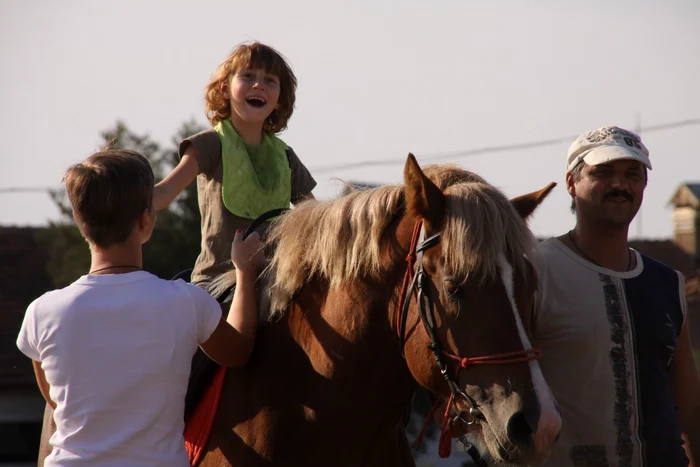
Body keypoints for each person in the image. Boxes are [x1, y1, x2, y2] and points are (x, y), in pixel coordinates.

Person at [16, 149, 264, 466]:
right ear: (145, 219)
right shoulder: (186, 302)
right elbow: (239, 350)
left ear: (81, 223)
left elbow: (56, 400)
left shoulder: (42, 312)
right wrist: (245, 274)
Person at [533, 126, 700, 466]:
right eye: (603, 172)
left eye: (632, 175)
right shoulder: (534, 272)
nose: (620, 185)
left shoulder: (667, 282)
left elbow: (690, 407)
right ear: (571, 183)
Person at [153, 41, 316, 287]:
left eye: (269, 80)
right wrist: (120, 200)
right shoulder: (210, 144)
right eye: (248, 76)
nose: (259, 84)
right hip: (217, 285)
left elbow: (313, 217)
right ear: (224, 89)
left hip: (271, 284)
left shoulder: (286, 156)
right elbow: (164, 192)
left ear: (280, 99)